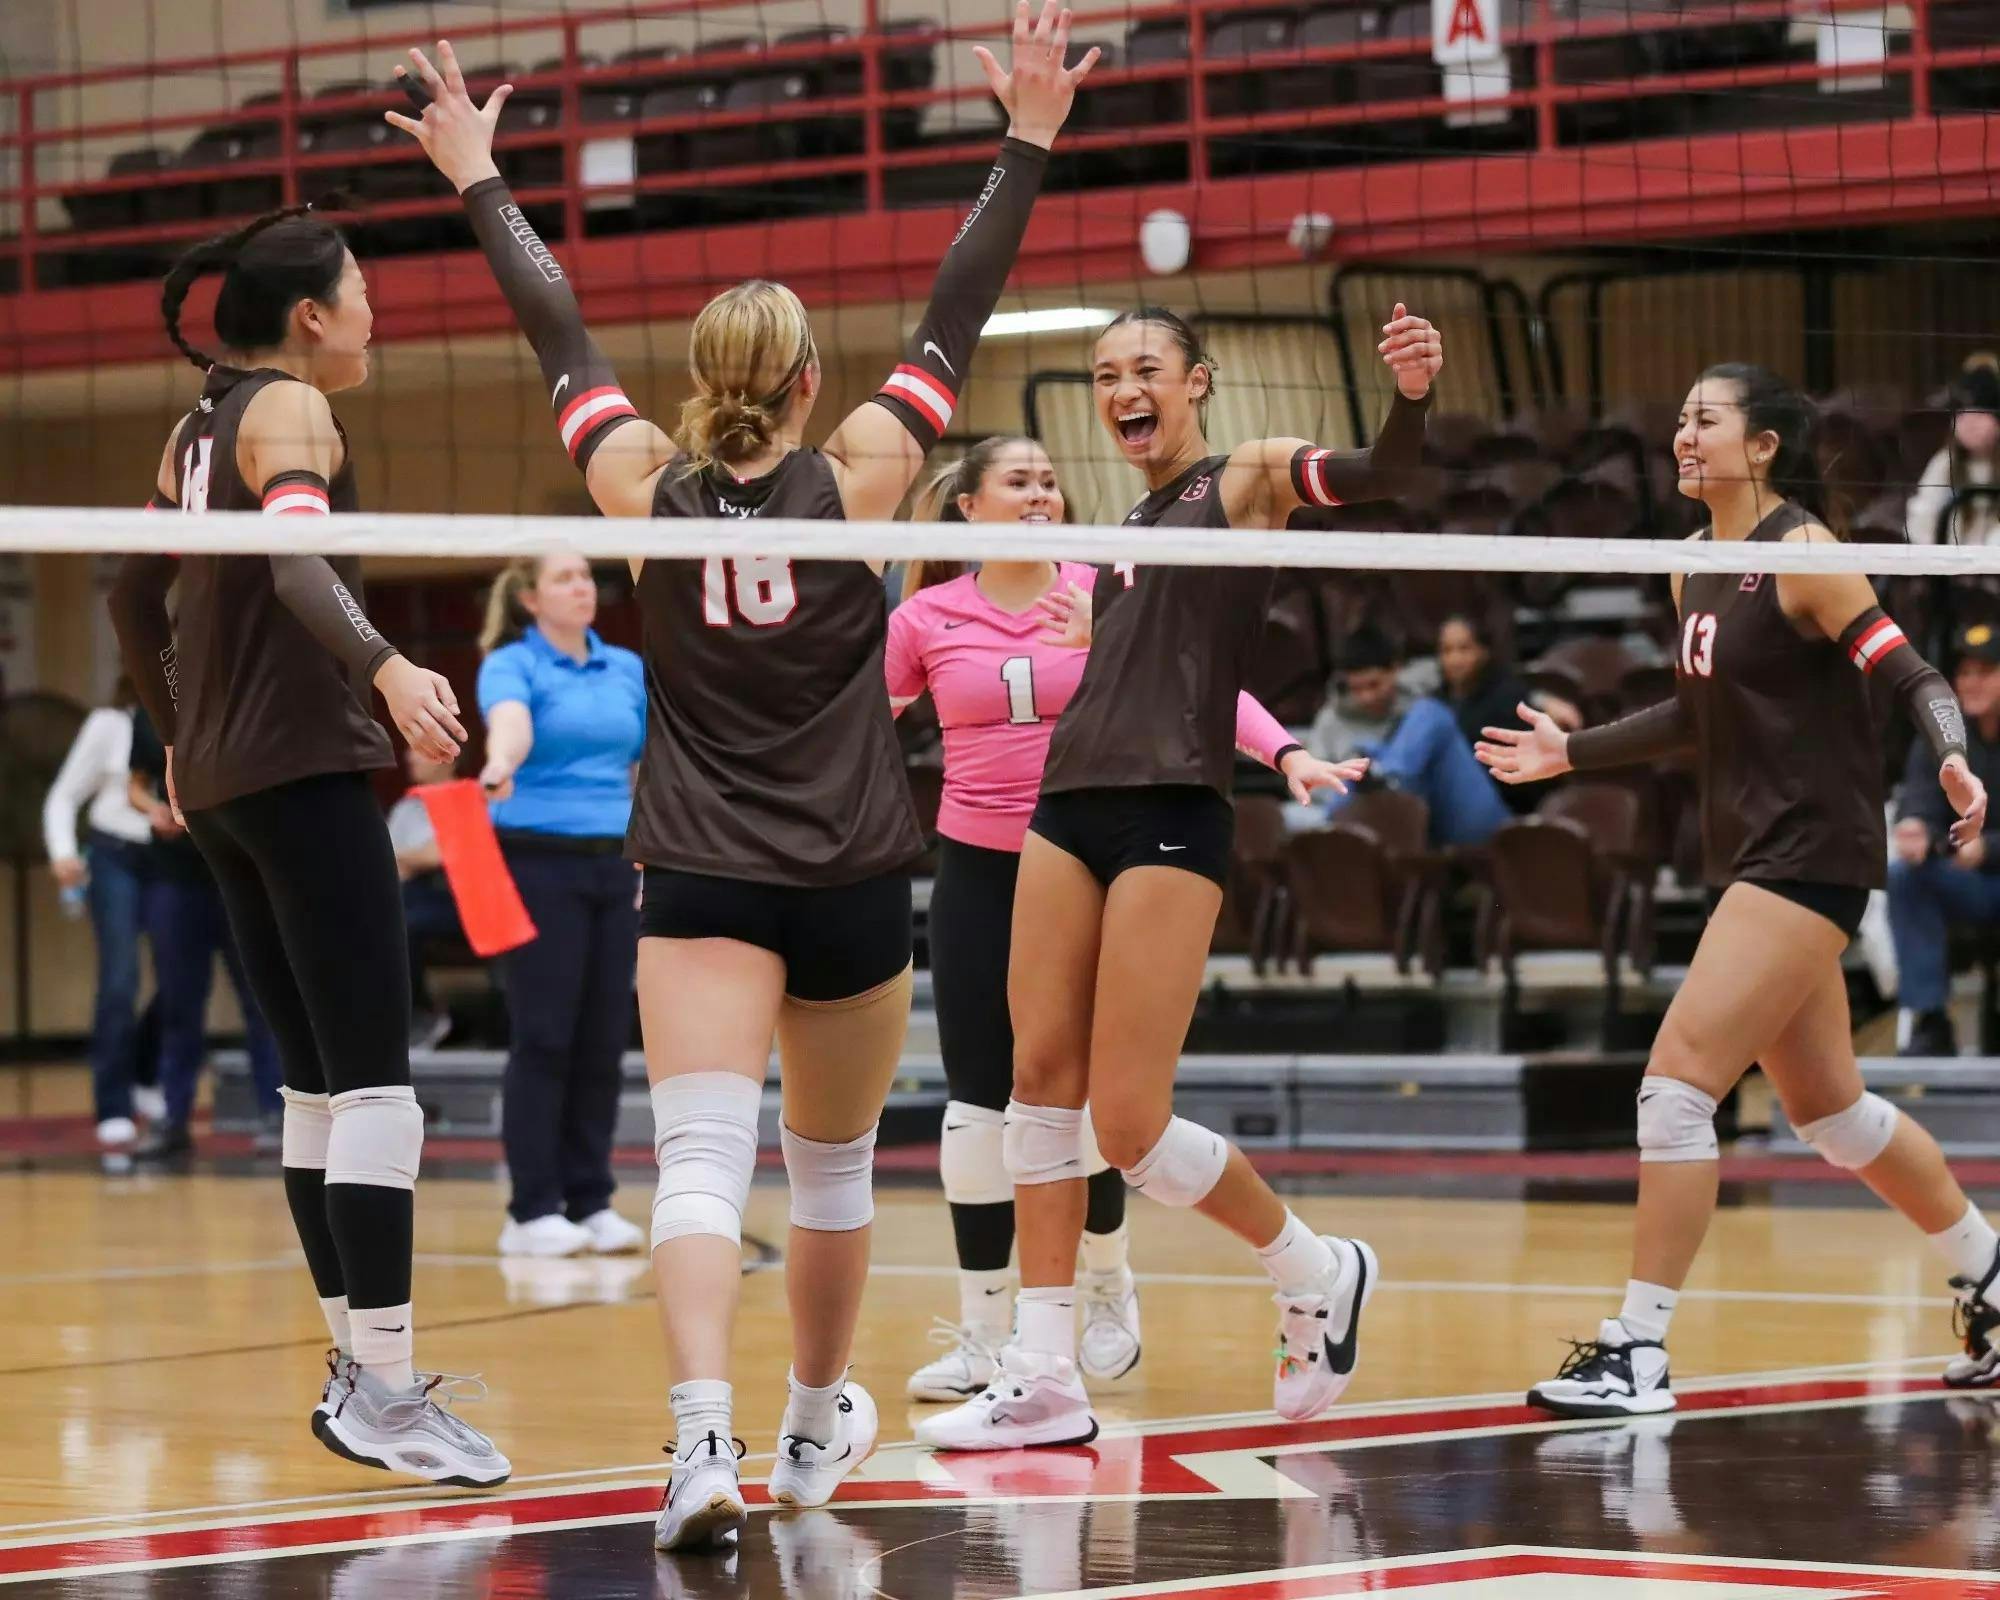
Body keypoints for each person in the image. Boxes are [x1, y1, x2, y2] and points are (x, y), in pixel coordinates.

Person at [386, 13, 1094, 1548]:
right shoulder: (869, 471)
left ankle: (697, 1440)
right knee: (829, 1175)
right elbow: (956, 316)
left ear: (703, 381)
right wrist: (1027, 140)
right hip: (850, 872)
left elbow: (558, 334)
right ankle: (809, 1434)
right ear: (804, 376)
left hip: (701, 872)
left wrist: (483, 180)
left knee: (698, 1161)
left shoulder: (641, 483)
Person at [915, 302, 1439, 1453]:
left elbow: (1379, 470)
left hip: (1171, 812)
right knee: (1034, 1097)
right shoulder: (1121, 531)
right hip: (1063, 808)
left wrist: (1406, 394)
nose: (1119, 390)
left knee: (1130, 1125)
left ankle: (1313, 1266)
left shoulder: (1243, 477)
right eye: (1102, 374)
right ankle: (1044, 1373)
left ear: (1195, 382)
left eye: (1141, 368)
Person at [1477, 362, 2000, 1416]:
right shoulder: (1690, 566)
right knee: (1830, 1112)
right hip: (1755, 851)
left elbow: (1913, 676)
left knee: (1673, 1090)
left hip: (1811, 852)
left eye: (1702, 421)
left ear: (1758, 446)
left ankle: (1637, 1350)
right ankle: (1991, 1274)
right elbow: (1690, 718)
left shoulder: (1805, 555)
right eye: (1675, 419)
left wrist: (1949, 755)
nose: (1680, 435)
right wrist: (1568, 753)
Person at [107, 201, 509, 1485]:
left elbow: (126, 591)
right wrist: (388, 666)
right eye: (364, 290)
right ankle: (387, 1390)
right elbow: (293, 563)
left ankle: (359, 1369)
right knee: (376, 1085)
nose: (378, 311)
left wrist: (174, 733)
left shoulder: (192, 428)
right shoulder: (289, 410)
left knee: (316, 1089)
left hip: (222, 789)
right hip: (301, 767)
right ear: (309, 318)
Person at [886, 439, 1325, 1402]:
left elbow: (1200, 687)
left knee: (1086, 1104)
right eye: (1020, 481)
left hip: (1092, 854)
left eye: (1051, 480)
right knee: (981, 1106)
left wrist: (1284, 751)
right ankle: (981, 1334)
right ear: (967, 508)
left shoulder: (1105, 585)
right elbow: (856, 723)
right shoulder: (923, 617)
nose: (1042, 493)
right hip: (977, 867)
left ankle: (1108, 1284)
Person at [476, 554, 648, 1258]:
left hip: (614, 864)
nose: (583, 589)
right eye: (564, 579)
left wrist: (648, 856)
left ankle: (591, 1199)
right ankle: (531, 1208)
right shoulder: (512, 665)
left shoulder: (627, 667)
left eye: (587, 577)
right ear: (528, 598)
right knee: (544, 1034)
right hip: (533, 859)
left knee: (604, 1037)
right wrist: (499, 765)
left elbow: (642, 766)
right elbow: (510, 726)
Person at [126, 703, 286, 1161]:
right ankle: (174, 1119)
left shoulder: (240, 699)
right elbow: (135, 786)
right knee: (178, 1003)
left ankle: (276, 1113)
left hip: (238, 871)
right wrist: (156, 810)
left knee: (261, 997)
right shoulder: (152, 709)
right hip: (175, 876)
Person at [41, 680, 159, 1146]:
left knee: (179, 978)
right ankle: (112, 1102)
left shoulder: (195, 720)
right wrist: (63, 852)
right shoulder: (110, 724)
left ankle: (145, 1074)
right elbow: (63, 796)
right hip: (114, 858)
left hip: (171, 859)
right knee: (120, 977)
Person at [1888, 622, 2000, 1057]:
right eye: (1965, 673)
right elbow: (1919, 797)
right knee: (1905, 878)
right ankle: (1929, 1019)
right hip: (1968, 884)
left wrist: (1989, 847)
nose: (1971, 683)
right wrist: (1914, 827)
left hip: (1990, 868)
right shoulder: (1943, 740)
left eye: (1985, 671)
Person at [1308, 625, 1510, 847]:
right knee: (1362, 758)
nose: (1367, 697)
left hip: (1443, 813)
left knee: (1432, 713)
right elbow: (1311, 787)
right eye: (1357, 689)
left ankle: (1388, 776)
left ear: (1395, 670)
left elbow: (1489, 680)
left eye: (1374, 685)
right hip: (1360, 819)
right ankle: (1383, 779)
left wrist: (1540, 699)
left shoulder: (1419, 691)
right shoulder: (1329, 722)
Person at [386, 746, 463, 1051]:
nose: (409, 758)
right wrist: (417, 859)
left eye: (419, 752)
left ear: (448, 756)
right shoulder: (408, 806)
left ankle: (422, 1017)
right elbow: (386, 864)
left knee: (403, 923)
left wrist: (409, 859)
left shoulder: (469, 798)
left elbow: (444, 854)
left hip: (458, 902)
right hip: (412, 897)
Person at [1907, 362, 2000, 547]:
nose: (1972, 420)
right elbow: (1923, 513)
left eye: (1983, 411)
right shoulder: (1944, 462)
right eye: (1964, 411)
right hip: (1950, 564)